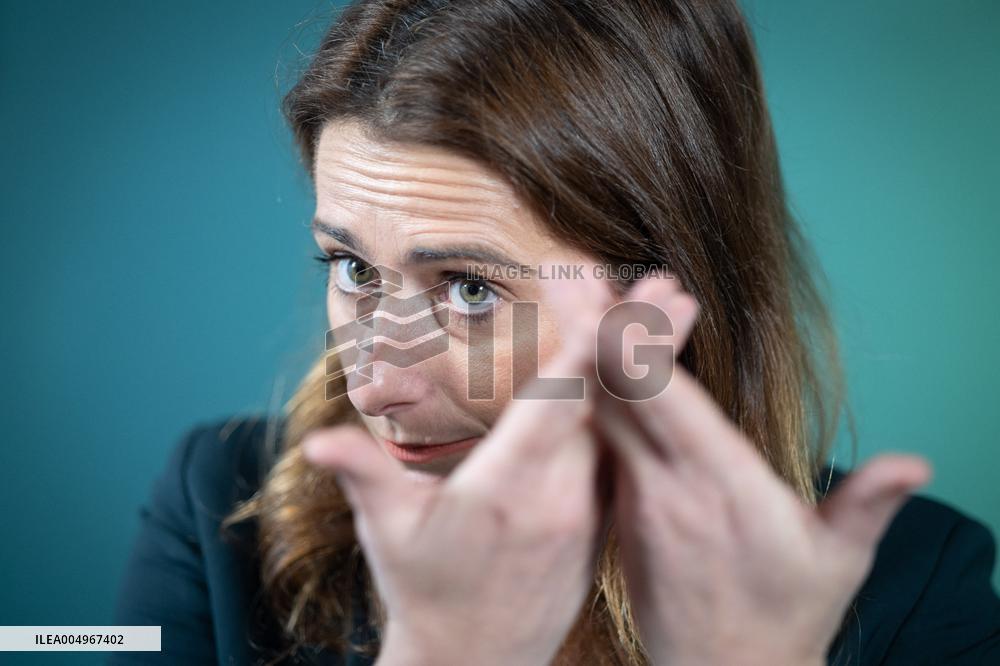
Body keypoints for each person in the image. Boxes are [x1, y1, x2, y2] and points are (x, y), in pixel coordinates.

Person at [110, 1, 1000, 664]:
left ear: (655, 310)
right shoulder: (220, 510)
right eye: (352, 269)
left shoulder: (912, 590)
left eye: (468, 289)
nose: (374, 381)